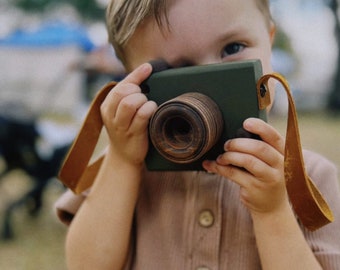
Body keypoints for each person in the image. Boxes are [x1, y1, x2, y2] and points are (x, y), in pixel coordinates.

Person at [55, 0, 340, 269]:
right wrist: (121, 162)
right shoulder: (126, 164)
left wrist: (273, 211)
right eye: (177, 70)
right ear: (134, 81)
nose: (209, 81)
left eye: (233, 48)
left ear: (269, 39)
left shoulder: (312, 178)